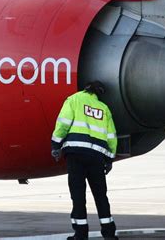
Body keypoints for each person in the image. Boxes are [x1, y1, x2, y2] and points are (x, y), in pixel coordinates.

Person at [51, 81, 118, 240]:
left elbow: (63, 124)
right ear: (99, 93)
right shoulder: (104, 108)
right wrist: (109, 159)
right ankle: (108, 233)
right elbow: (111, 137)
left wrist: (55, 144)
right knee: (101, 196)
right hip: (96, 157)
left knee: (78, 195)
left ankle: (80, 234)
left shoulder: (74, 99)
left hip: (76, 155)